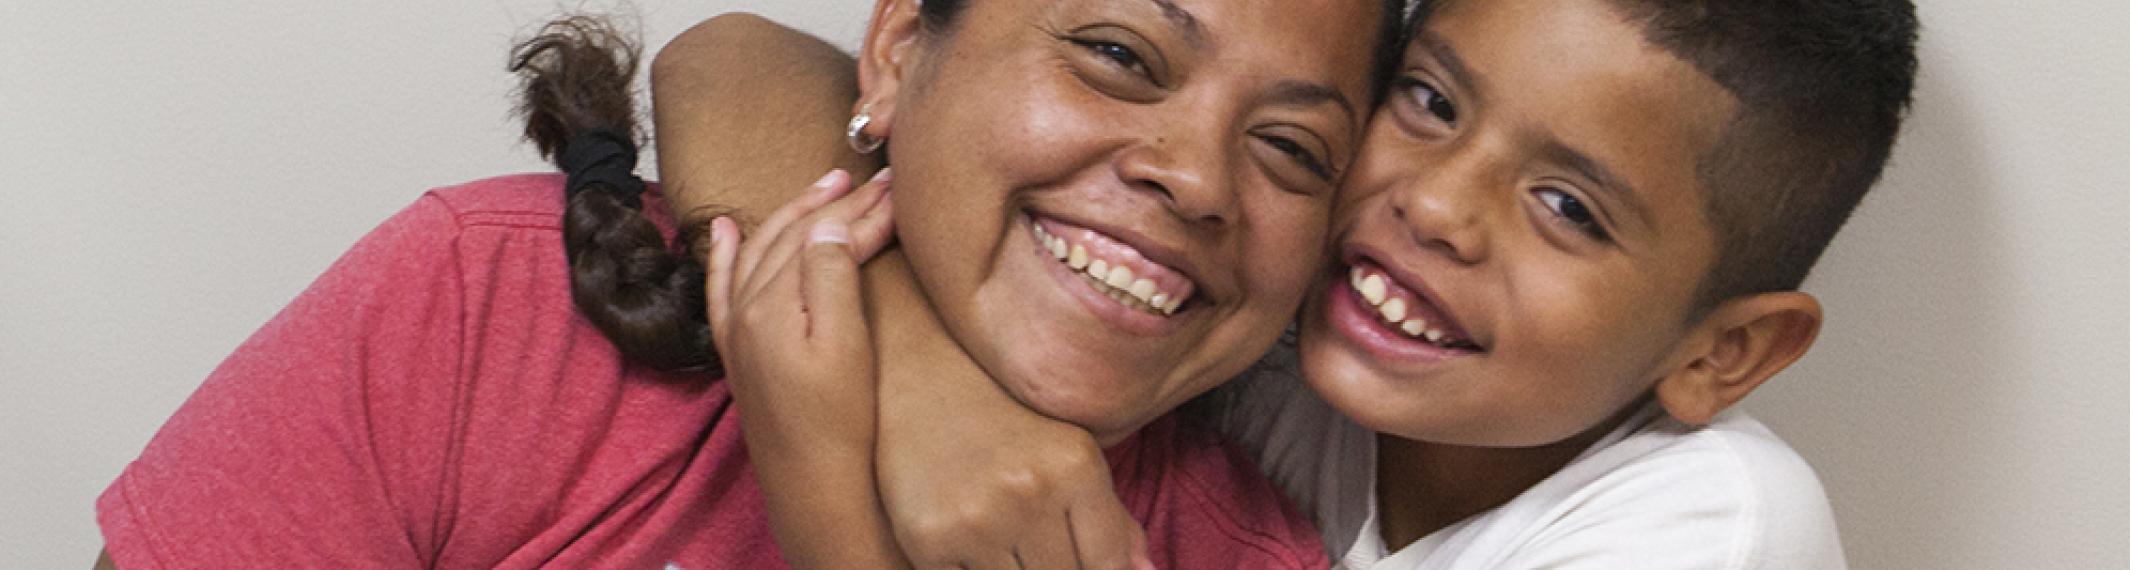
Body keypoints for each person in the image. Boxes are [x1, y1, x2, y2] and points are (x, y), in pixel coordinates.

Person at [91, 0, 1412, 566]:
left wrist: (840, 493)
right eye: (1118, 53)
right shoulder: (484, 310)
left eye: (1292, 147)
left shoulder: (1242, 554)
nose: (1195, 177)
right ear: (894, 51)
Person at [649, 0, 1918, 567]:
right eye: (1428, 103)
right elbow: (732, 60)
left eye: (1568, 208)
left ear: (1728, 352)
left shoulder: (1714, 529)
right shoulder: (1290, 321)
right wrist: (915, 374)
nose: (1432, 205)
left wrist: (830, 485)